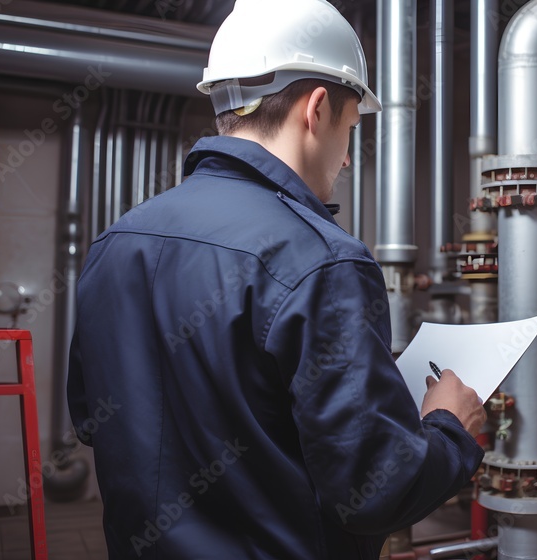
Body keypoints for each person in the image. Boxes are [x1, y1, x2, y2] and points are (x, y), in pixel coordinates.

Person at [66, 1, 486, 558]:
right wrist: (450, 427)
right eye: (352, 128)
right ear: (316, 109)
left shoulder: (116, 242)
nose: (345, 162)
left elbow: (92, 419)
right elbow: (375, 493)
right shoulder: (323, 261)